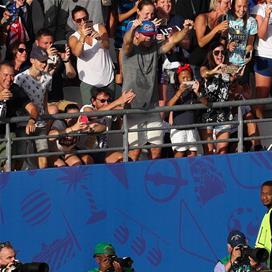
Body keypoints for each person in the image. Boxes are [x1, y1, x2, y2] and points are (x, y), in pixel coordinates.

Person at [121, 8, 194, 161]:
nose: (149, 38)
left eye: (151, 35)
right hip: (133, 108)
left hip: (152, 107)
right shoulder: (128, 51)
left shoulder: (155, 47)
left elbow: (173, 40)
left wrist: (186, 29)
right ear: (138, 35)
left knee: (156, 151)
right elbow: (127, 41)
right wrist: (133, 27)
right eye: (146, 35)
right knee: (134, 152)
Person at [13, 45, 53, 168]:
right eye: (41, 61)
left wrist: (47, 117)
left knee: (43, 158)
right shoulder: (20, 78)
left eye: (45, 61)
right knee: (19, 158)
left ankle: (43, 184)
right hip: (23, 124)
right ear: (32, 60)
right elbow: (15, 98)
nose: (44, 63)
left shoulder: (48, 77)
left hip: (40, 123)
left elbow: (45, 98)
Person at [69, 5, 116, 105]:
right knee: (90, 115)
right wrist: (82, 37)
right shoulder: (73, 38)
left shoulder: (99, 27)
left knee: (111, 114)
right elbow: (77, 53)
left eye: (85, 18)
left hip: (107, 78)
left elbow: (107, 45)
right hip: (88, 82)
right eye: (79, 20)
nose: (83, 22)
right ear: (74, 21)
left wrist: (98, 38)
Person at [0, 62, 39, 170]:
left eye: (12, 75)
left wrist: (32, 120)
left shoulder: (15, 89)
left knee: (10, 165)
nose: (9, 79)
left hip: (8, 134)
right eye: (5, 75)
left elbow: (32, 108)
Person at [167, 63, 204, 157]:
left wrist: (197, 92)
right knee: (179, 155)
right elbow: (168, 106)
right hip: (178, 128)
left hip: (192, 128)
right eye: (183, 78)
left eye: (188, 77)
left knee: (193, 155)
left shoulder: (195, 89)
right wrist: (179, 92)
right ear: (177, 78)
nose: (186, 80)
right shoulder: (173, 88)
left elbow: (206, 103)